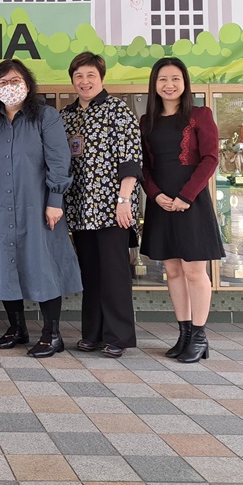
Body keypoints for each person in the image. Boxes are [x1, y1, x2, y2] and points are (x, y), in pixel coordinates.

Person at [0, 59, 81, 358]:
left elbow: (59, 160)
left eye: (15, 81)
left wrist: (55, 202)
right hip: (0, 207)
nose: (9, 87)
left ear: (27, 84)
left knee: (43, 265)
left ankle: (52, 334)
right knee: (5, 265)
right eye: (3, 82)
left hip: (38, 206)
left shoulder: (45, 117)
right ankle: (17, 328)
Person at [140, 57, 224, 363]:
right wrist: (155, 195)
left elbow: (210, 158)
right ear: (154, 85)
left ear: (185, 82)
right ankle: (184, 333)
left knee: (193, 271)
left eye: (175, 78)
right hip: (161, 203)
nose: (169, 85)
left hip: (192, 202)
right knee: (173, 271)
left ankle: (199, 336)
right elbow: (144, 166)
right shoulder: (147, 121)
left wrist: (186, 196)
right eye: (163, 79)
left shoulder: (200, 114)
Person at [61, 51, 142, 359]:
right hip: (81, 209)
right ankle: (92, 334)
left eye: (90, 76)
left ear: (102, 78)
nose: (85, 82)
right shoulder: (67, 115)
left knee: (114, 274)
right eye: (79, 76)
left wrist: (124, 200)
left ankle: (118, 336)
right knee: (91, 273)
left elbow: (131, 159)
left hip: (112, 209)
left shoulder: (117, 110)